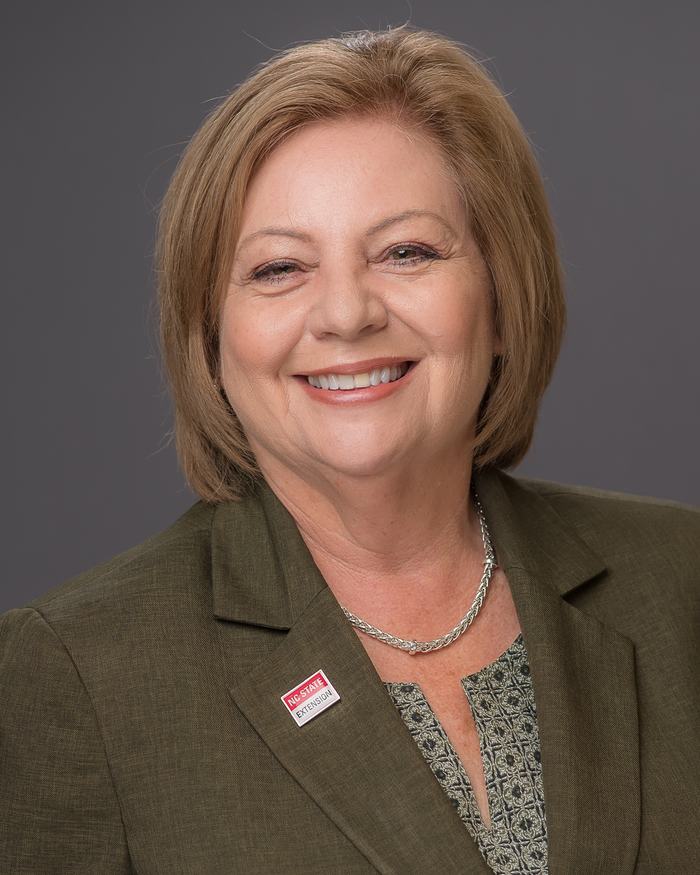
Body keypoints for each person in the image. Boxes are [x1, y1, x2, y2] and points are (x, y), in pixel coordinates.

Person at [1, 24, 698, 875]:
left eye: (405, 252)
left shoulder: (682, 580)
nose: (345, 314)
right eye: (279, 269)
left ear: (503, 296)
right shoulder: (78, 671)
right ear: (212, 335)